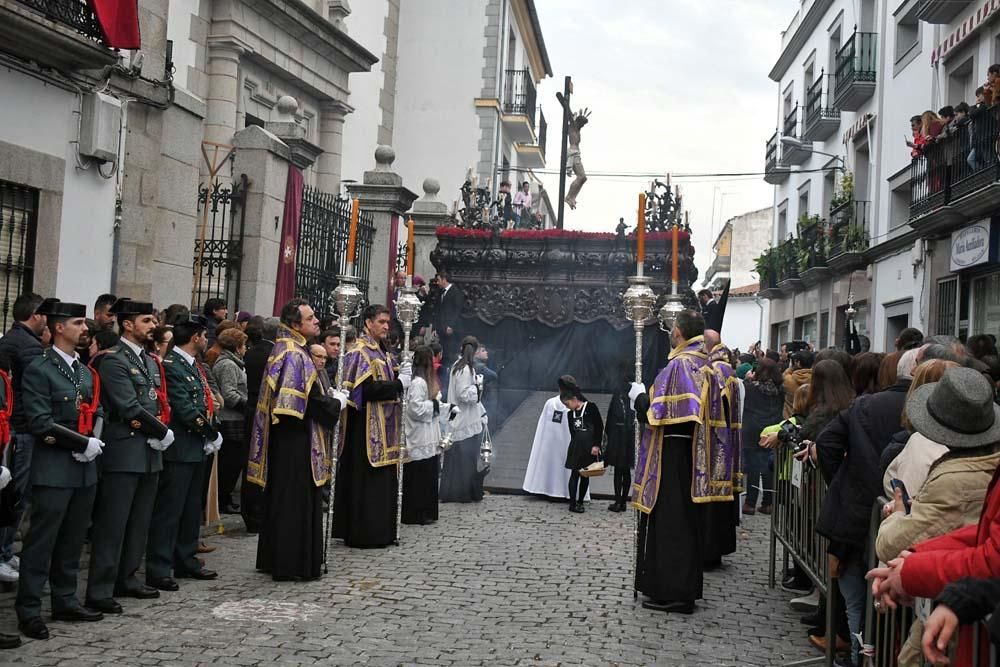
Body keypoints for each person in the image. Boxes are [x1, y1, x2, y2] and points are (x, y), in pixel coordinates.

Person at [868, 368, 1000, 666]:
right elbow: (982, 533)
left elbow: (991, 556)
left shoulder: (956, 475)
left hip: (970, 618)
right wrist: (915, 558)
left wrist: (909, 564)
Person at [16, 301, 105, 639]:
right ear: (58, 328)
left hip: (84, 469)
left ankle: (65, 599)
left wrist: (92, 442)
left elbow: (95, 411)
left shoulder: (83, 370)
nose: (85, 329)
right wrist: (80, 445)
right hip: (53, 468)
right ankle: (28, 609)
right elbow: (41, 422)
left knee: (71, 539)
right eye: (79, 323)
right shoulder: (40, 368)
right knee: (42, 542)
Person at [815, 354, 911, 665]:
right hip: (899, 518)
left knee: (857, 597)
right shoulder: (908, 409)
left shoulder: (867, 405)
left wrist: (842, 483)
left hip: (859, 515)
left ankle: (859, 657)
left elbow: (827, 443)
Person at [247, 299, 346, 579]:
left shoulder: (291, 348)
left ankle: (277, 556)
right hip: (295, 441)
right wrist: (334, 404)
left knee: (284, 500)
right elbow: (294, 405)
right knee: (293, 503)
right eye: (310, 317)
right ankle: (291, 562)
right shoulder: (294, 354)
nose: (316, 321)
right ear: (294, 323)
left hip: (291, 439)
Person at [86, 298, 172, 610]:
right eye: (147, 321)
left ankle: (128, 577)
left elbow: (155, 400)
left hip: (148, 451)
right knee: (113, 522)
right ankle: (100, 588)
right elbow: (128, 406)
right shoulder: (114, 360)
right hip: (124, 449)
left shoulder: (148, 360)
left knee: (139, 520)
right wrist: (161, 432)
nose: (153, 326)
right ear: (127, 324)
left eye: (153, 321)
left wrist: (161, 431)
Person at [631, 309, 710, 614]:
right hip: (688, 454)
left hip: (674, 455)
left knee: (672, 523)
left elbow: (667, 413)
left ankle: (676, 591)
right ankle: (668, 587)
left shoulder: (681, 364)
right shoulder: (704, 361)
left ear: (678, 332)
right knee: (680, 523)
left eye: (672, 328)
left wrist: (641, 401)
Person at [145, 315, 222, 592]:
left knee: (190, 510)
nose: (206, 340)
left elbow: (203, 400)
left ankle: (186, 558)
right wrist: (210, 433)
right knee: (169, 511)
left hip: (195, 447)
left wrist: (210, 430)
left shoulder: (192, 365)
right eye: (203, 336)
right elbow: (184, 408)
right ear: (196, 337)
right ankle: (158, 566)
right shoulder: (172, 365)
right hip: (179, 447)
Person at [333, 304, 407, 548]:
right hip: (364, 428)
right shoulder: (360, 352)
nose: (387, 326)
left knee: (383, 481)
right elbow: (362, 391)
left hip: (385, 424)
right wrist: (398, 384)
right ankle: (365, 532)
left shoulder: (381, 351)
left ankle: (382, 530)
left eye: (388, 322)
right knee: (366, 481)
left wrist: (399, 373)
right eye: (382, 322)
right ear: (368, 322)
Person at [0, 292, 45, 582]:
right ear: (36, 315)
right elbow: (30, 389)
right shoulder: (26, 345)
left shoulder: (13, 341)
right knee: (15, 496)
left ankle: (4, 551)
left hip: (17, 425)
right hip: (21, 428)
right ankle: (2, 553)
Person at [402, 345, 455, 525]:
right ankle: (415, 513)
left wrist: (447, 408)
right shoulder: (418, 382)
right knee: (419, 476)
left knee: (428, 474)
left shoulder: (427, 381)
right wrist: (435, 406)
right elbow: (415, 408)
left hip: (429, 433)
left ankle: (426, 511)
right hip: (419, 433)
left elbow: (434, 404)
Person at [702, 332, 742, 567]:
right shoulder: (725, 368)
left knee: (712, 499)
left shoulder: (716, 370)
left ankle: (710, 551)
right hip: (723, 442)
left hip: (715, 443)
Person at [241, 316, 277, 533]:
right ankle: (257, 512)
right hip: (264, 409)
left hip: (251, 407)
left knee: (251, 460)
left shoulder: (252, 352)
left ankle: (251, 512)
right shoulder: (272, 355)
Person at [440, 337, 487, 503]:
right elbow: (463, 394)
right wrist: (477, 387)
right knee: (465, 458)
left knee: (456, 458)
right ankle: (462, 493)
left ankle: (452, 491)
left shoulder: (457, 366)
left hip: (461, 417)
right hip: (464, 418)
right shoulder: (465, 369)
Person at [523, 377, 584, 500]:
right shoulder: (577, 404)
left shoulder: (550, 403)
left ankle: (546, 488)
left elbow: (542, 429)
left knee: (550, 463)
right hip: (568, 444)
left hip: (550, 445)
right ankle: (567, 493)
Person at [211, 328, 248, 515]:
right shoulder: (228, 365)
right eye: (243, 345)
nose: (246, 348)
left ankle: (225, 498)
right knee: (229, 463)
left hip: (235, 419)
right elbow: (229, 394)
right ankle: (223, 499)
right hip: (230, 420)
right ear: (237, 347)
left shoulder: (234, 363)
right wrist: (249, 404)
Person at [741, 357, 784, 515]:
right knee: (769, 466)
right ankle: (768, 502)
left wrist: (748, 380)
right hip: (772, 427)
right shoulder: (780, 390)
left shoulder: (750, 388)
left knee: (753, 467)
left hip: (752, 428)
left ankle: (750, 503)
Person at [560, 377, 603, 513]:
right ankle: (572, 503)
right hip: (576, 448)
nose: (567, 407)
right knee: (574, 474)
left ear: (574, 399)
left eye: (567, 404)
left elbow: (599, 426)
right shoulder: (569, 414)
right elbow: (573, 432)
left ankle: (580, 501)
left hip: (589, 447)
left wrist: (596, 445)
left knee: (585, 475)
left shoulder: (591, 407)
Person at [603, 364, 635, 512]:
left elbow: (611, 414)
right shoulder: (635, 391)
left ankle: (618, 501)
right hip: (630, 435)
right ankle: (622, 502)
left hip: (619, 435)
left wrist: (607, 433)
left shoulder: (618, 391)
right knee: (626, 470)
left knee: (618, 470)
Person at [555, 91, 590, 210]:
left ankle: (572, 197)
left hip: (577, 154)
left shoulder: (578, 129)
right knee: (581, 177)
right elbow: (569, 114)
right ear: (578, 122)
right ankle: (569, 197)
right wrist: (565, 103)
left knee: (583, 178)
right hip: (573, 153)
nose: (583, 126)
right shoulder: (573, 126)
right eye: (583, 123)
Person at [434, 270, 464, 366]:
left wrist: (451, 325)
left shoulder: (455, 292)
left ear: (444, 280)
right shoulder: (441, 293)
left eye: (438, 280)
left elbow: (457, 310)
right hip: (442, 329)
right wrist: (435, 328)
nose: (437, 283)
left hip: (450, 330)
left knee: (449, 353)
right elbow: (439, 311)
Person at [783, 349, 813, 418]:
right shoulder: (816, 380)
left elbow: (783, 376)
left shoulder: (788, 379)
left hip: (790, 419)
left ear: (798, 363)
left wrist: (792, 367)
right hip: (809, 419)